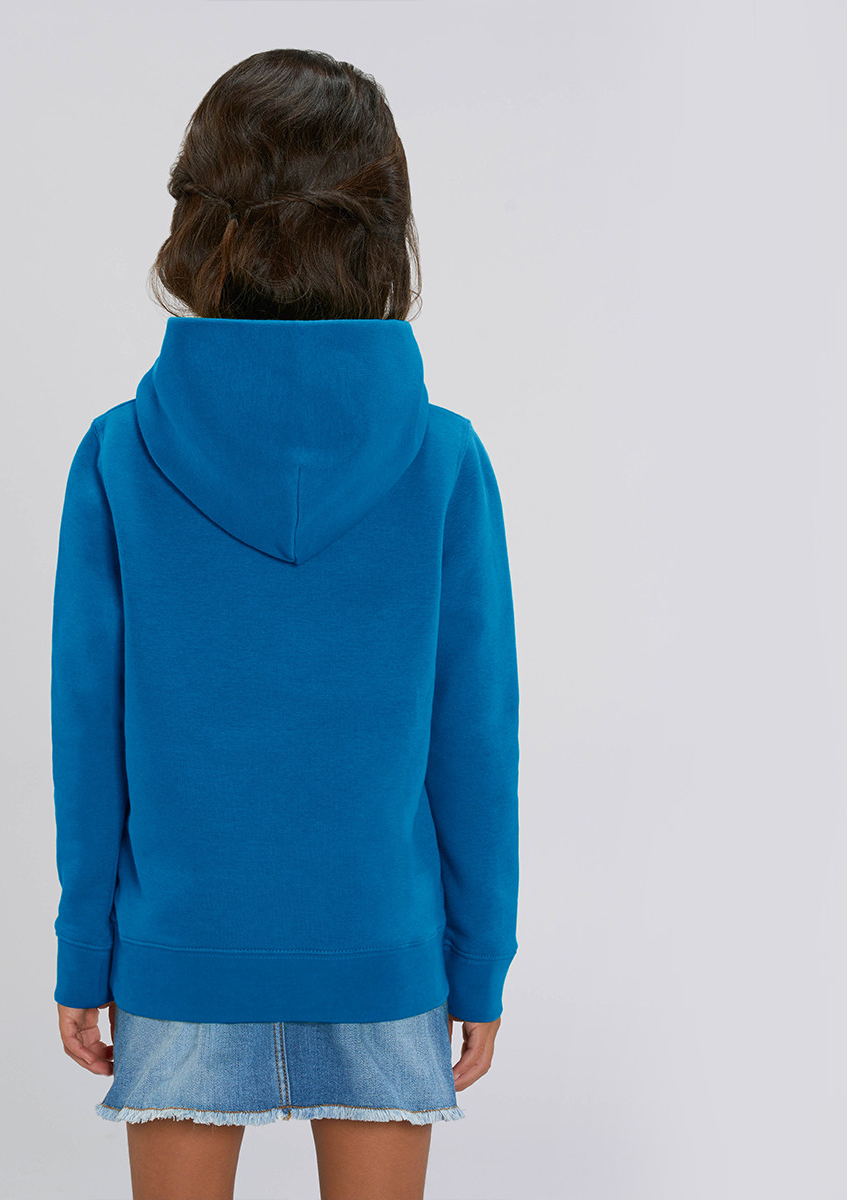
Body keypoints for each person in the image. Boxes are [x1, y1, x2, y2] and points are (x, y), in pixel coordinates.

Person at [49, 47, 520, 1200]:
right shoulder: (445, 462)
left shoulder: (119, 457)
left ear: (200, 218)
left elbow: (88, 734)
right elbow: (476, 743)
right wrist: (478, 962)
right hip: (382, 946)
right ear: (382, 227)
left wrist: (85, 951)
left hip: (181, 948)